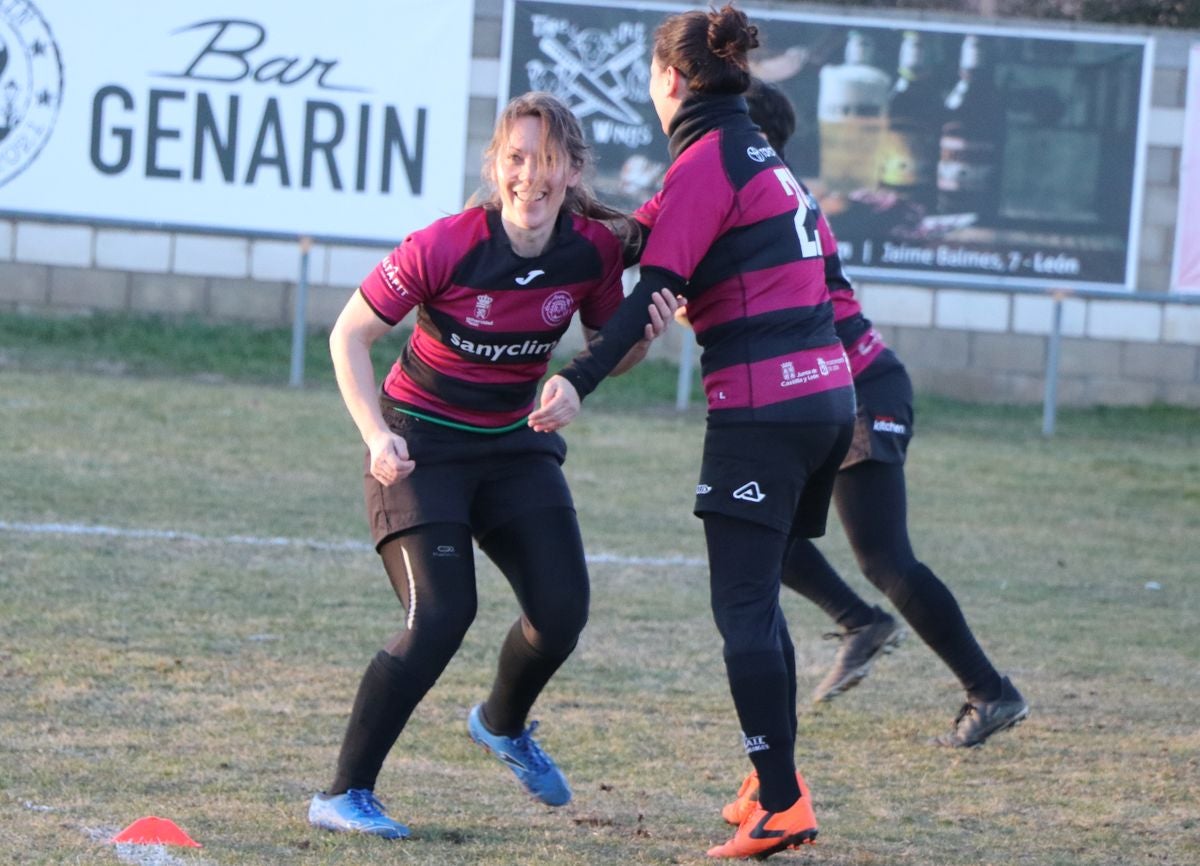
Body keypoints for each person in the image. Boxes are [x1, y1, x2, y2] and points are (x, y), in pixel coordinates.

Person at [530, 5, 855, 859]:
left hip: (763, 409)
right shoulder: (754, 154)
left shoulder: (709, 160)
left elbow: (653, 289)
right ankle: (770, 777)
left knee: (742, 606)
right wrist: (582, 212)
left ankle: (782, 803)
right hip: (825, 398)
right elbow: (664, 231)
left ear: (669, 80)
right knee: (762, 599)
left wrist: (578, 380)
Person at [308, 91, 676, 840]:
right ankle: (343, 795)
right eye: (515, 159)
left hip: (513, 449)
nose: (529, 178)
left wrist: (638, 343)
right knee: (443, 615)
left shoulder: (594, 250)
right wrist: (377, 435)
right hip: (421, 447)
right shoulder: (444, 244)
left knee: (563, 613)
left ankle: (502, 724)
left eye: (546, 162)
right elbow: (348, 337)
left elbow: (613, 351)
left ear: (572, 170)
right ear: (495, 165)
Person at [739, 74, 1027, 738]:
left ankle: (991, 691)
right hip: (809, 390)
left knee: (885, 557)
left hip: (862, 386)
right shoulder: (760, 199)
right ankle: (861, 622)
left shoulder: (772, 205)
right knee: (759, 530)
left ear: (750, 141)